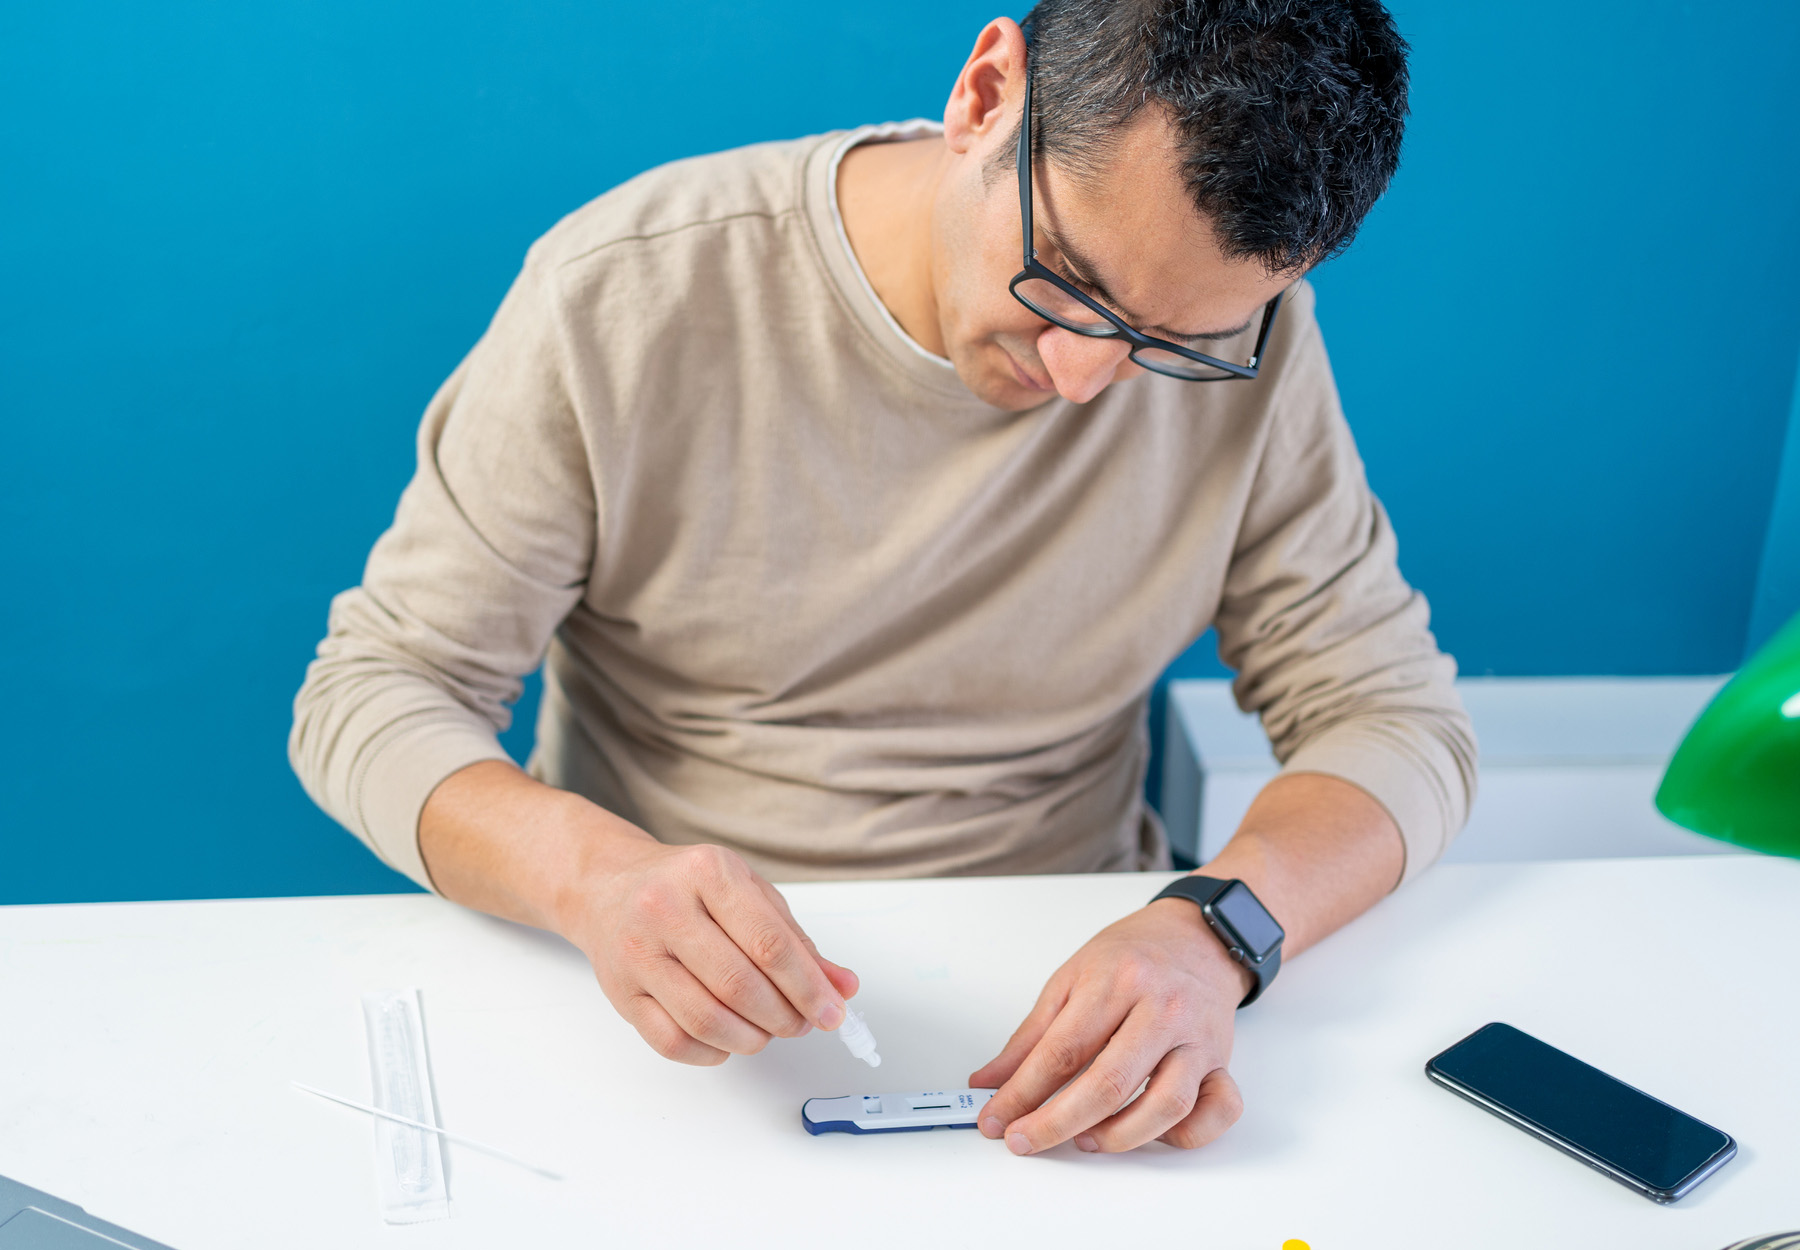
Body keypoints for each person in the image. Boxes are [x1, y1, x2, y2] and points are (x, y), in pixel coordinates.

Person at [291, 0, 1475, 1157]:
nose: (1080, 375)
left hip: (1077, 974)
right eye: (1066, 273)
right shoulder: (626, 289)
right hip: (667, 1005)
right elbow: (376, 690)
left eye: (1168, 343)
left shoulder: (1253, 348)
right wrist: (593, 879)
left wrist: (1218, 931)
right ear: (985, 95)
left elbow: (1391, 716)